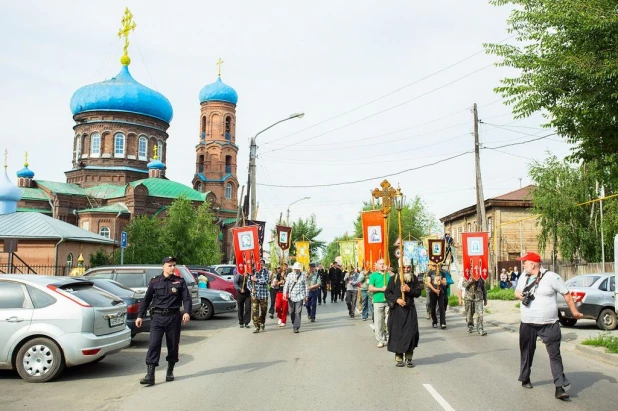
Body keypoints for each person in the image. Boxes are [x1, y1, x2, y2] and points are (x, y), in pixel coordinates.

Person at [515, 252, 583, 400]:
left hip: (549, 324)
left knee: (555, 355)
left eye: (525, 262)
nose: (523, 264)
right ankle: (525, 378)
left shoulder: (552, 277)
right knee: (526, 352)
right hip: (527, 323)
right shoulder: (523, 277)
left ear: (532, 264)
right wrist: (520, 296)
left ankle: (559, 388)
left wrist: (574, 312)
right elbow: (517, 292)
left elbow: (566, 294)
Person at [136, 256, 192, 385]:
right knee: (154, 345)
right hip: (157, 317)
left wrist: (187, 312)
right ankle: (150, 375)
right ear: (163, 267)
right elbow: (146, 299)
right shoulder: (155, 282)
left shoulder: (180, 281)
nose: (172, 268)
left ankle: (170, 370)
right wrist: (140, 315)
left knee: (172, 345)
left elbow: (187, 299)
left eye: (174, 265)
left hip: (173, 317)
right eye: (170, 265)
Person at [385, 260, 422, 367]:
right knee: (398, 334)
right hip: (397, 311)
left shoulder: (414, 278)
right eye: (404, 268)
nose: (406, 270)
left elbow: (418, 293)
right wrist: (397, 299)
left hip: (409, 310)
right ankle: (399, 357)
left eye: (408, 267)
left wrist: (409, 289)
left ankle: (409, 358)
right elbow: (387, 293)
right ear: (399, 268)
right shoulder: (394, 279)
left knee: (411, 334)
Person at [368, 259, 389, 348]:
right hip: (378, 301)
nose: (382, 265)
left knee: (389, 321)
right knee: (379, 322)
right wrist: (381, 289)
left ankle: (388, 338)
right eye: (380, 264)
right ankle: (380, 339)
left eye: (383, 264)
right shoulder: (373, 275)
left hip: (389, 301)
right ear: (376, 265)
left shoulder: (389, 275)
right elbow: (370, 288)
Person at [283, 262, 308, 333]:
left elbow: (306, 286)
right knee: (292, 312)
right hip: (291, 296)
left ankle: (296, 327)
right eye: (295, 269)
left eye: (298, 269)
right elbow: (286, 285)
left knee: (298, 312)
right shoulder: (289, 275)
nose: (296, 270)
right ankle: (294, 322)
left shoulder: (303, 276)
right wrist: (285, 293)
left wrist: (306, 295)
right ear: (293, 269)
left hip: (300, 296)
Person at [248, 260, 270, 333]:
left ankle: (262, 322)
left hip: (263, 295)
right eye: (258, 263)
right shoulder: (252, 272)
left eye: (261, 263)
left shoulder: (265, 271)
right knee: (255, 311)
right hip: (255, 295)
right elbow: (248, 283)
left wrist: (256, 279)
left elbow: (266, 281)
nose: (260, 264)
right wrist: (251, 289)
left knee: (264, 310)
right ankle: (256, 326)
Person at [426, 262, 447, 329]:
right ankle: (434, 321)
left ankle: (443, 323)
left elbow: (445, 283)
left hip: (441, 292)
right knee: (433, 307)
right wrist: (434, 290)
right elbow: (428, 283)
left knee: (442, 307)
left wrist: (440, 280)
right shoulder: (430, 273)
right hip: (433, 291)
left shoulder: (442, 273)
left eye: (438, 265)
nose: (436, 267)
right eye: (435, 265)